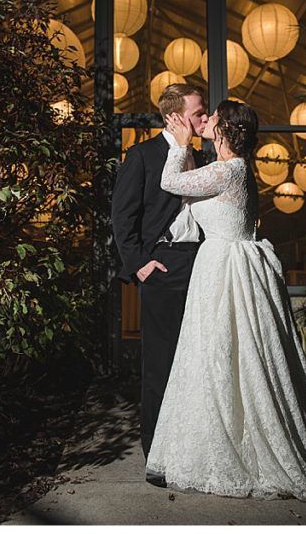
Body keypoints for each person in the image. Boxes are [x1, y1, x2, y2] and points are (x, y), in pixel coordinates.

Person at [145, 99, 306, 501]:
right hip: (224, 265)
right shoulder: (228, 169)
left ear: (224, 129)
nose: (205, 122)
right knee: (219, 355)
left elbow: (171, 182)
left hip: (225, 270)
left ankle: (240, 448)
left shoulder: (227, 169)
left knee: (227, 353)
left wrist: (179, 144)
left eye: (211, 119)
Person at [110, 83, 209, 486]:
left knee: (200, 361)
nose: (204, 118)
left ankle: (195, 447)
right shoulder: (143, 155)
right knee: (162, 363)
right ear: (175, 116)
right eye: (199, 112)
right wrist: (139, 265)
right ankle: (157, 455)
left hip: (204, 265)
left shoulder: (204, 157)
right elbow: (122, 216)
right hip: (163, 266)